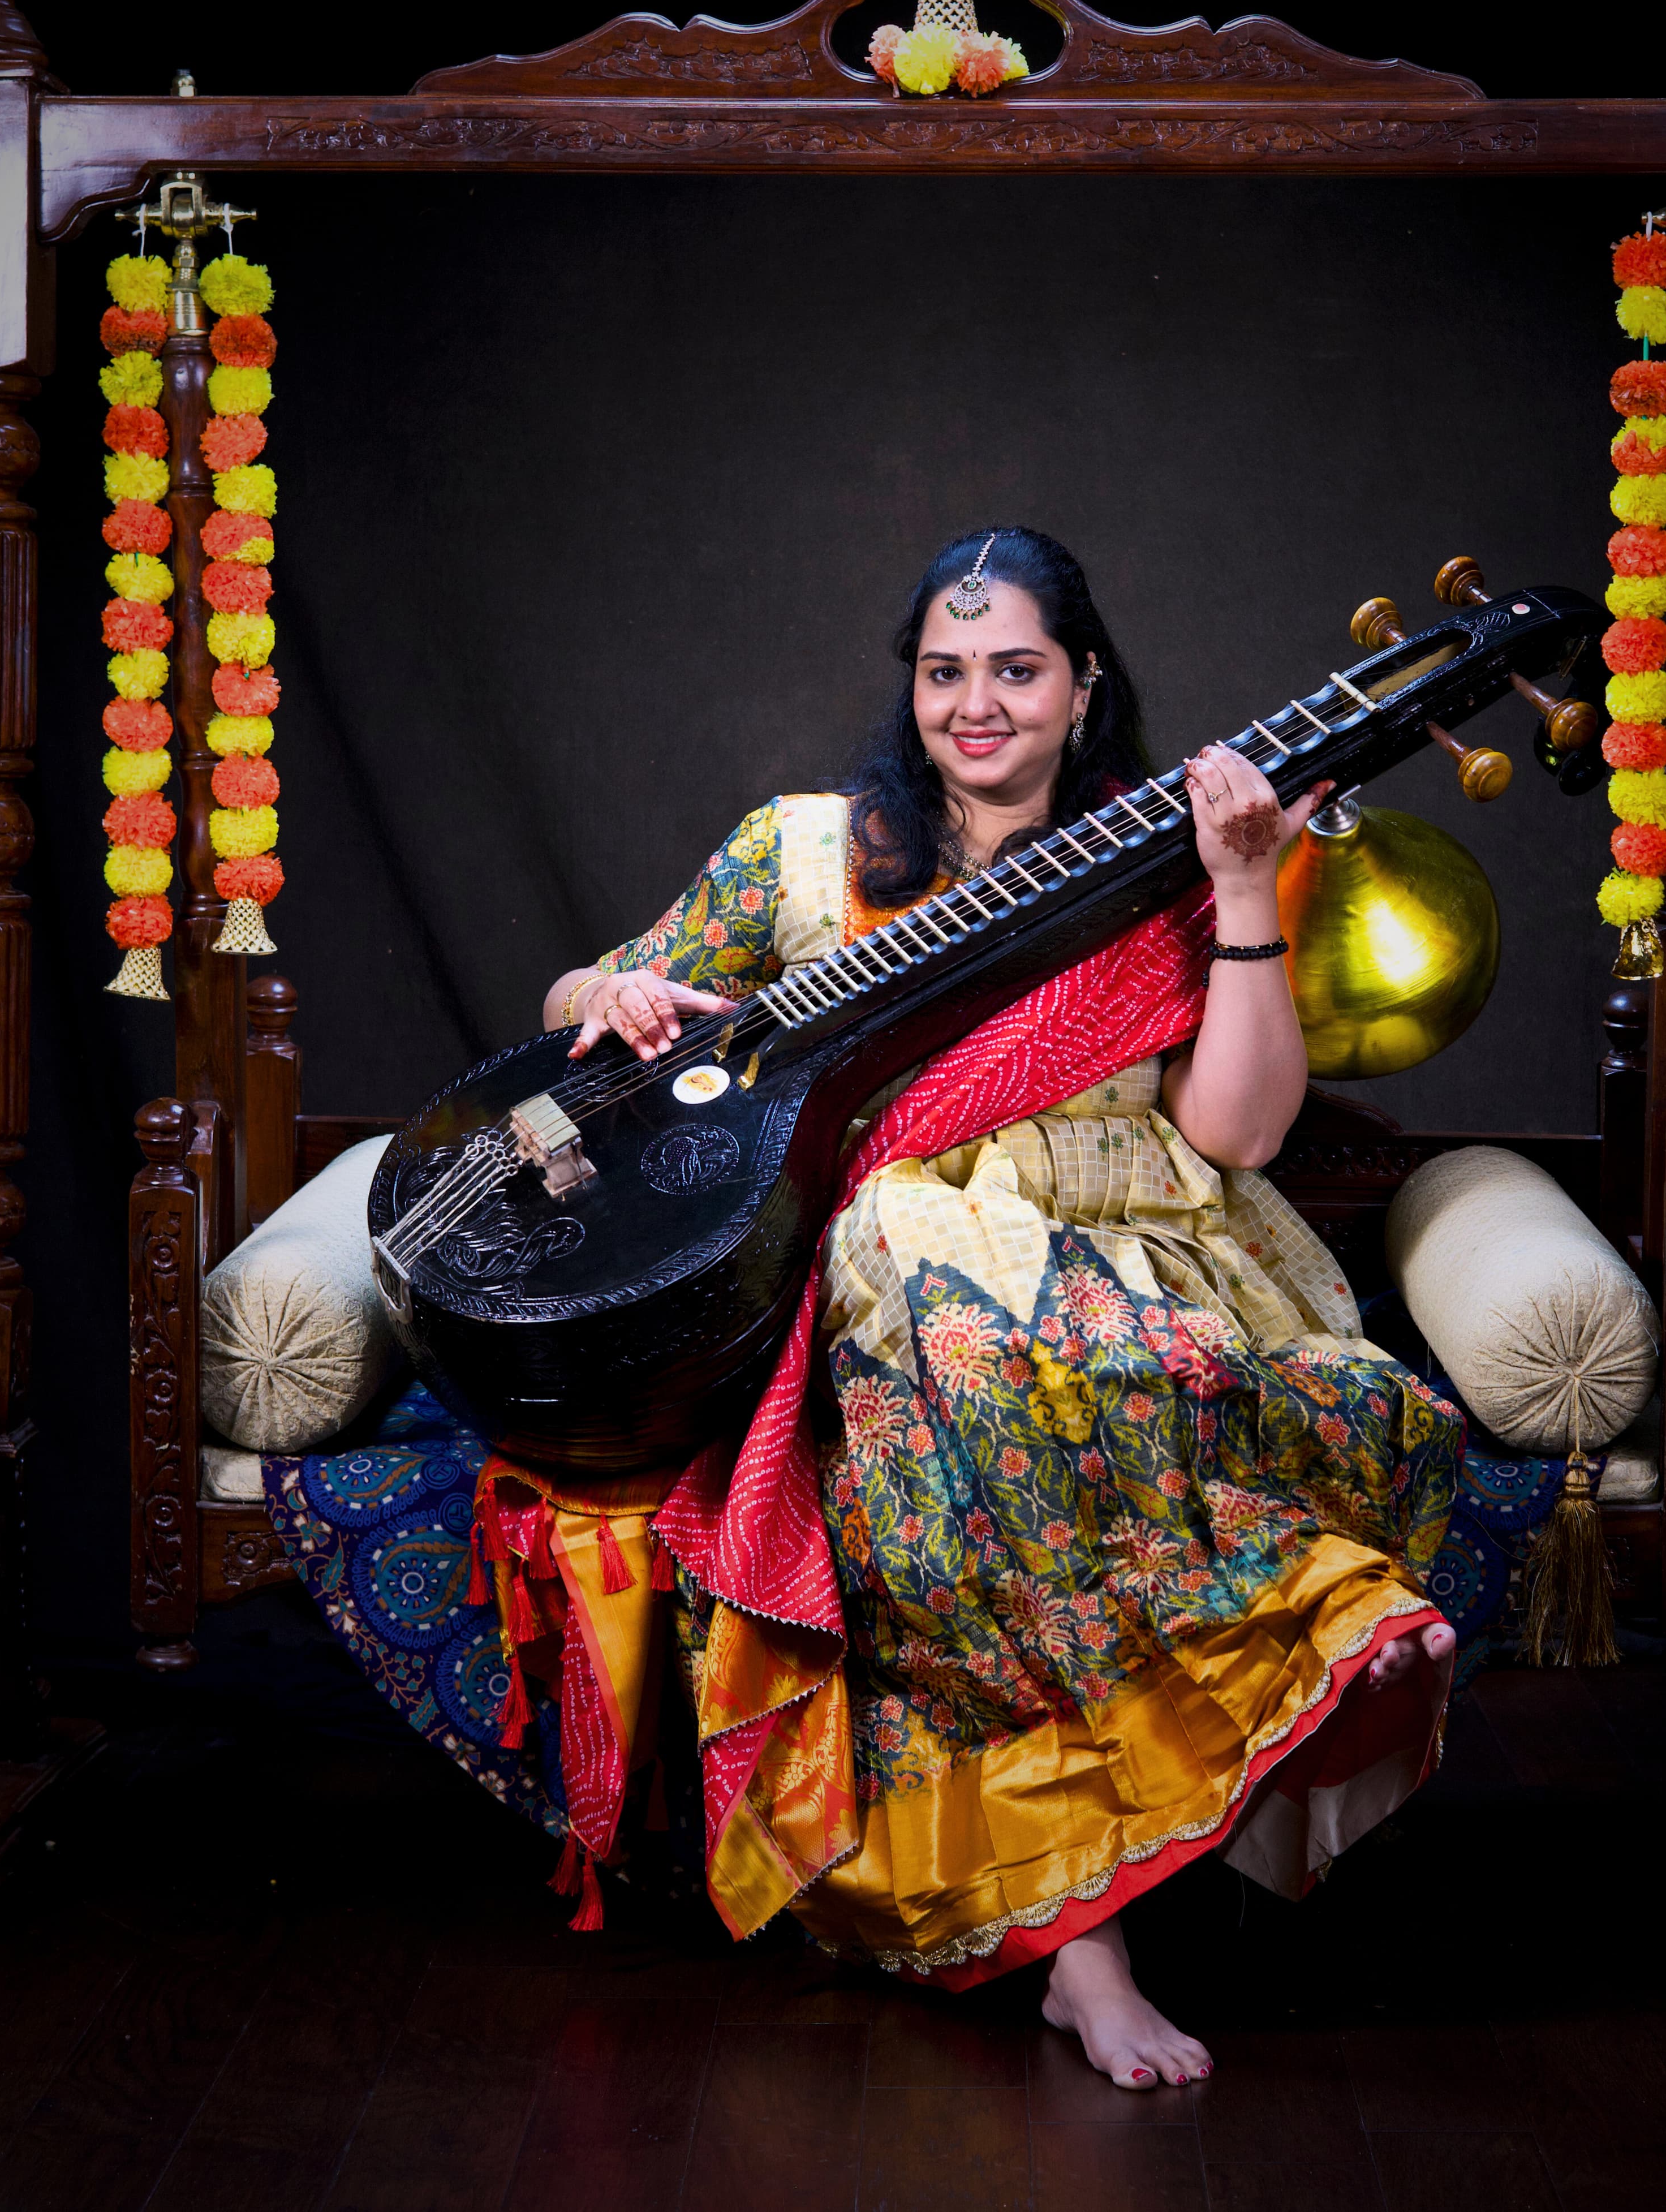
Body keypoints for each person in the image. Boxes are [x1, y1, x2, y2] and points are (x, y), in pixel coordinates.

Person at [540, 526, 1460, 2089]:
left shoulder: (1167, 853)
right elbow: (576, 997)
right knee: (940, 1336)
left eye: (1016, 671)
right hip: (900, 1269)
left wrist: (1244, 881)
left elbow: (1236, 1133)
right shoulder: (806, 855)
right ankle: (1085, 1954)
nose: (977, 705)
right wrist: (612, 1001)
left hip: (1133, 1246)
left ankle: (1293, 1643)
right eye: (944, 673)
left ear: (1084, 685)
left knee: (1039, 1371)